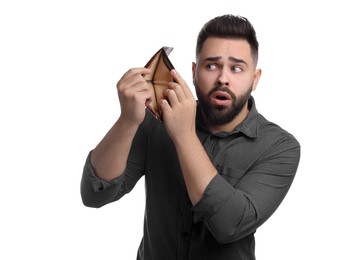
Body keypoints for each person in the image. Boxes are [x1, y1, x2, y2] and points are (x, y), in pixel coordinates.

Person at [81, 14, 300, 260]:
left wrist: (184, 134)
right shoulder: (155, 122)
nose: (223, 78)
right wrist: (127, 120)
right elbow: (94, 194)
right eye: (211, 65)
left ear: (255, 78)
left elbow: (230, 225)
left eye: (236, 68)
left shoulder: (279, 147)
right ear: (194, 72)